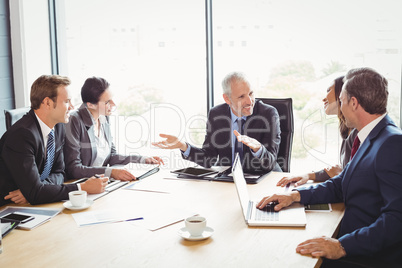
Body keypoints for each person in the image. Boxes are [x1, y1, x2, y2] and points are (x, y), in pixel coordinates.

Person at [257, 67, 402, 267]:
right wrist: (295, 196)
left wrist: (342, 246)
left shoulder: (392, 143)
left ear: (354, 103)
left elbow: (397, 220)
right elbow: (341, 184)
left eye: (341, 101)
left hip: (367, 256)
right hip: (353, 240)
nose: (340, 108)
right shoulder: (370, 136)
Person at [0, 75, 108, 206]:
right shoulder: (21, 135)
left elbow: (60, 173)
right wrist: (82, 188)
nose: (72, 107)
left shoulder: (58, 127)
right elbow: (35, 193)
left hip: (32, 202)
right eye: (67, 101)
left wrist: (37, 189)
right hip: (8, 208)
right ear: (47, 103)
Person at [152, 72, 282, 174]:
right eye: (241, 97)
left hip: (265, 179)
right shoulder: (217, 114)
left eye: (251, 93)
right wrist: (183, 146)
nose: (249, 101)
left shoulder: (268, 114)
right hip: (230, 180)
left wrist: (259, 149)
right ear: (227, 98)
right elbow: (209, 158)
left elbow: (270, 163)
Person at [64, 76, 164, 181]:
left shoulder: (104, 117)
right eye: (107, 102)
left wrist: (143, 160)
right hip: (80, 185)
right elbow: (74, 169)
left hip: (100, 182)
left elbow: (111, 157)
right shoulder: (74, 121)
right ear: (90, 105)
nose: (113, 104)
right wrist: (110, 172)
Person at [277, 76, 358, 187]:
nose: (324, 99)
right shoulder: (348, 130)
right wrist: (309, 175)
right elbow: (340, 170)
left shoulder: (358, 134)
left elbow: (348, 177)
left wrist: (341, 176)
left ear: (342, 93)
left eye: (329, 90)